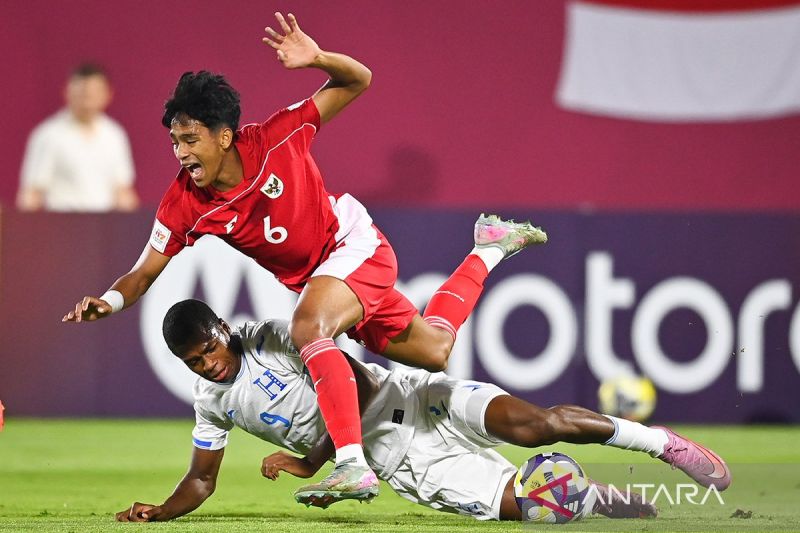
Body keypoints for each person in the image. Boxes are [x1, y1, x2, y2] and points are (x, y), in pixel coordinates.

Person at [62, 12, 547, 502]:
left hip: (351, 247)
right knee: (433, 351)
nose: (181, 153)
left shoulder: (278, 137)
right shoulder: (183, 201)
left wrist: (317, 59)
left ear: (224, 136)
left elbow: (358, 80)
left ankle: (352, 465)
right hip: (322, 281)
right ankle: (487, 247)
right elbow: (144, 272)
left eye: (190, 140)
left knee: (307, 329)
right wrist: (108, 301)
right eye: (174, 142)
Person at [114, 299, 692, 522]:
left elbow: (358, 384)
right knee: (546, 505)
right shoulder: (211, 402)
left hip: (416, 397)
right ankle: (641, 511)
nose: (208, 365)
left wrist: (311, 462)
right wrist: (163, 512)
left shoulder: (273, 337)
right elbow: (201, 476)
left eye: (208, 349)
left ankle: (659, 443)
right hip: (405, 460)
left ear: (221, 329)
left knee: (541, 421)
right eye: (194, 362)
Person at [17, 62, 139, 212]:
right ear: (67, 92)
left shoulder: (114, 135)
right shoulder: (48, 135)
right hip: (62, 226)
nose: (87, 98)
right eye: (81, 92)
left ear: (107, 94)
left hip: (104, 227)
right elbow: (32, 193)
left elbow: (122, 190)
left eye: (94, 92)